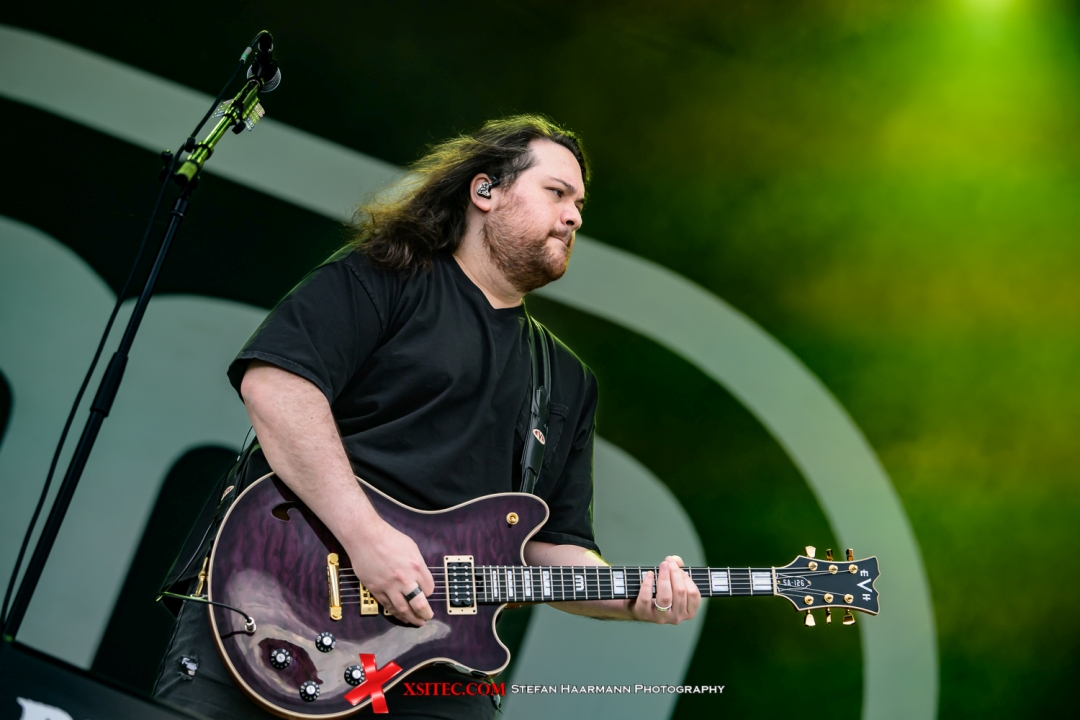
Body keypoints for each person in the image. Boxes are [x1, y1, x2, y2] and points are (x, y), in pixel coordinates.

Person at [153, 115, 700, 719]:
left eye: (579, 204)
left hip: (434, 662)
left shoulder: (565, 380)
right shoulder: (387, 276)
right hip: (276, 599)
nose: (574, 217)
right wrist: (367, 540)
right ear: (485, 191)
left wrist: (633, 596)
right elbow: (277, 386)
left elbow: (552, 546)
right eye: (556, 193)